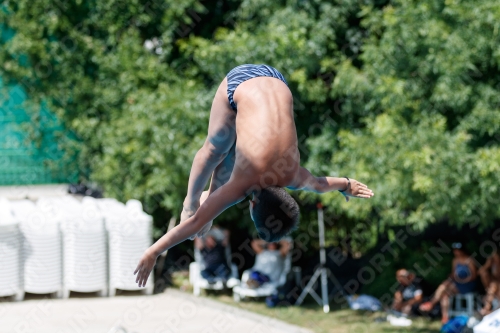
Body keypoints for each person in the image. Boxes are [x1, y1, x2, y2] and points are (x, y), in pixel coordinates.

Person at [134, 64, 374, 287]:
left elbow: (321, 184)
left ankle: (209, 200)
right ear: (254, 203)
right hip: (237, 84)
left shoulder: (295, 178)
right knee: (215, 149)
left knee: (227, 163)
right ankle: (192, 200)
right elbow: (194, 224)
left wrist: (347, 184)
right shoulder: (243, 185)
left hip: (276, 79)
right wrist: (152, 252)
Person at [419, 242, 478, 323]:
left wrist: (462, 280)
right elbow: (454, 274)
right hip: (457, 284)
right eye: (455, 250)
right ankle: (445, 317)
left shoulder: (470, 260)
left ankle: (431, 303)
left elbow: (474, 276)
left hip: (467, 285)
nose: (456, 252)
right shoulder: (455, 260)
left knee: (444, 285)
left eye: (458, 250)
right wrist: (452, 277)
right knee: (445, 294)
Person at [479, 248, 500, 316]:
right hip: (493, 287)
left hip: (496, 287)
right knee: (485, 275)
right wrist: (488, 263)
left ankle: (487, 308)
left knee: (493, 286)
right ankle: (488, 308)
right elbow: (480, 272)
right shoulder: (492, 263)